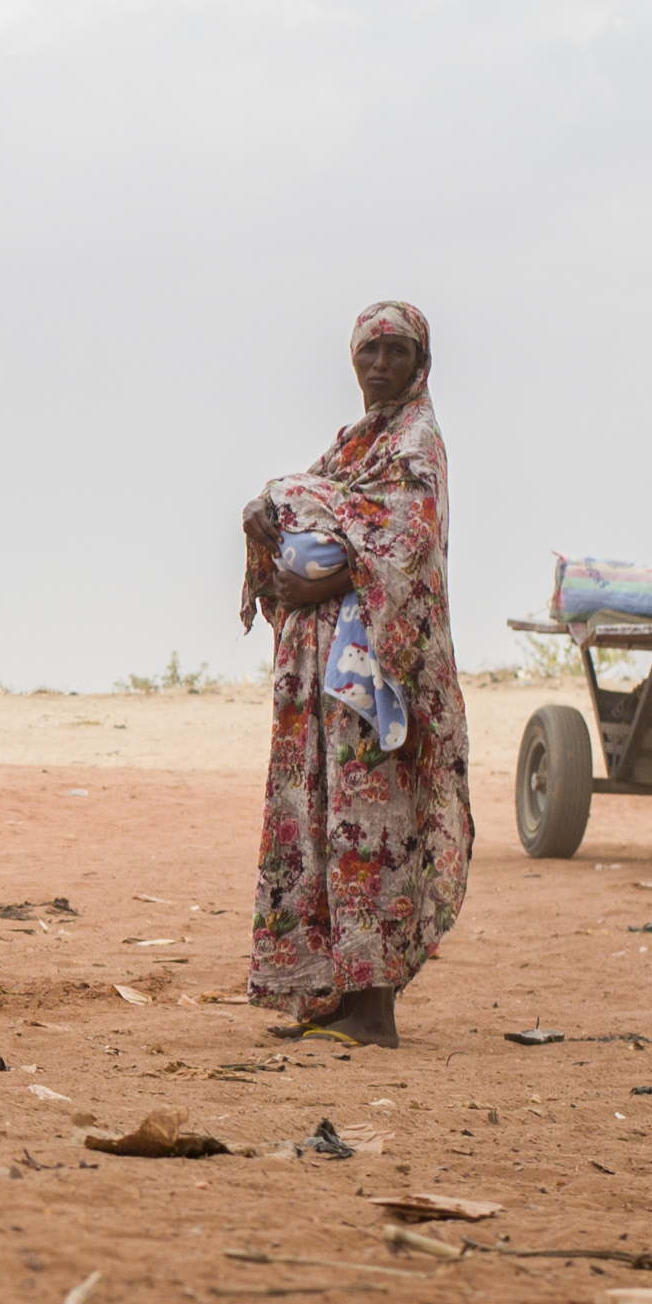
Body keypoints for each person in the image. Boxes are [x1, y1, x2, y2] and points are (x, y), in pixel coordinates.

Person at [236, 300, 473, 1048]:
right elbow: (319, 508)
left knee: (368, 822)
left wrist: (324, 584)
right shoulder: (353, 444)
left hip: (376, 679)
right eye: (369, 352)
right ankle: (336, 991)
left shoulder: (416, 444)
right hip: (324, 673)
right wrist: (264, 514)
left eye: (396, 353)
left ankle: (375, 1009)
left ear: (419, 363)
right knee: (321, 817)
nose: (379, 366)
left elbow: (405, 553)